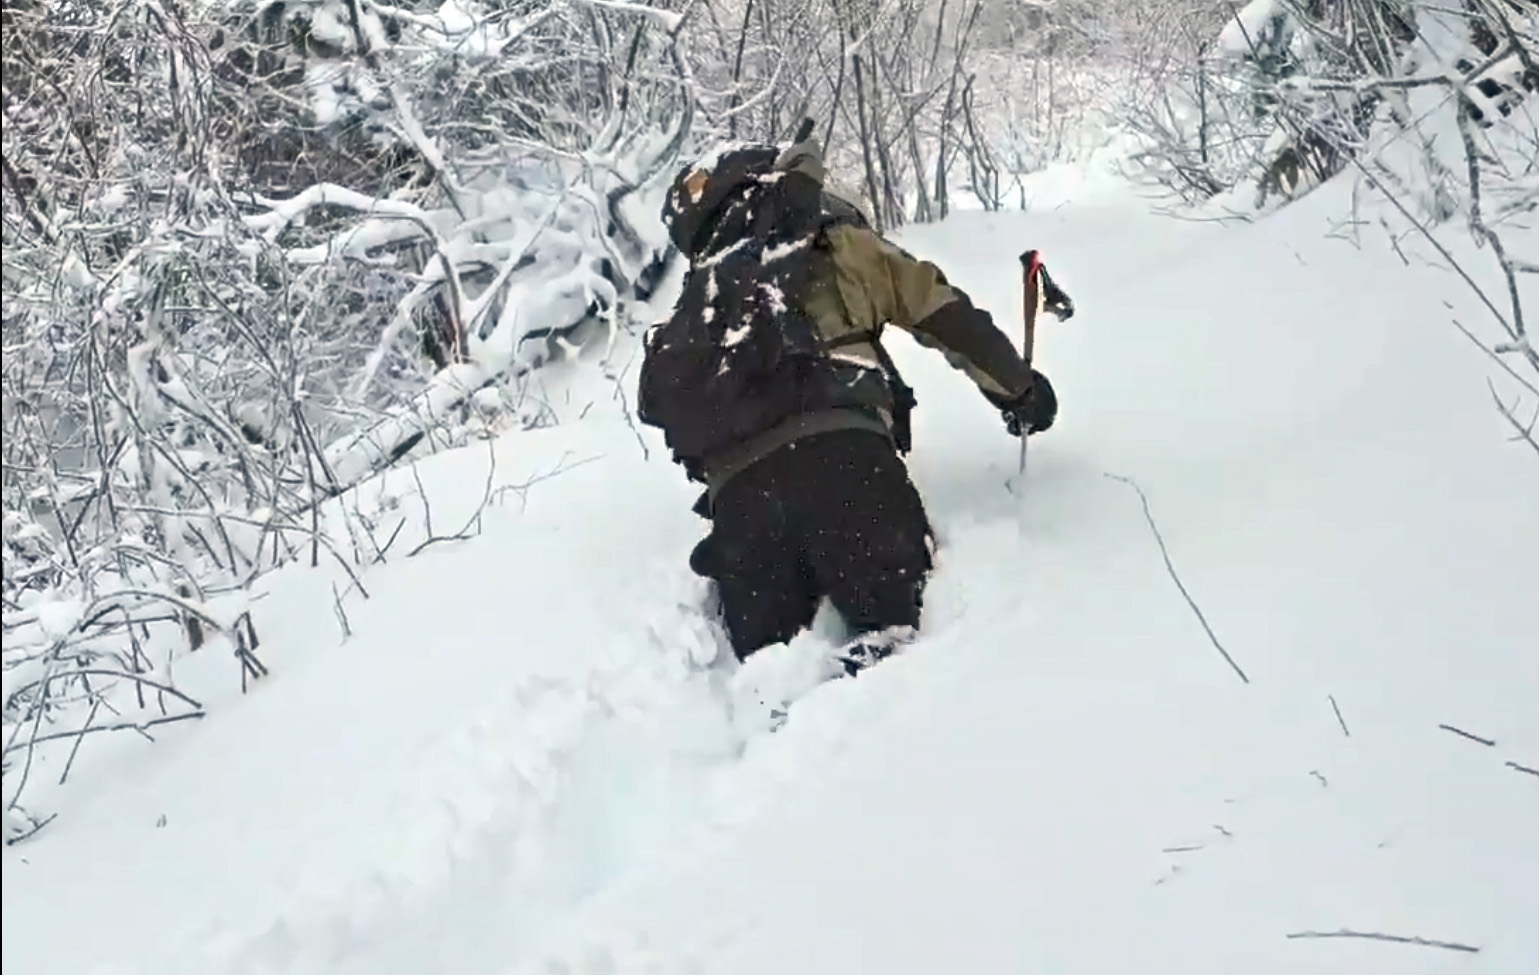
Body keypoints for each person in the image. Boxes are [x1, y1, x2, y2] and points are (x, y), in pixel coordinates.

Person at [637, 128, 1071, 673]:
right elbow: (946, 317)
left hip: (741, 510)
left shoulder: (702, 300)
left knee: (770, 680)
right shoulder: (837, 242)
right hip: (849, 469)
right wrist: (1021, 392)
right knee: (895, 663)